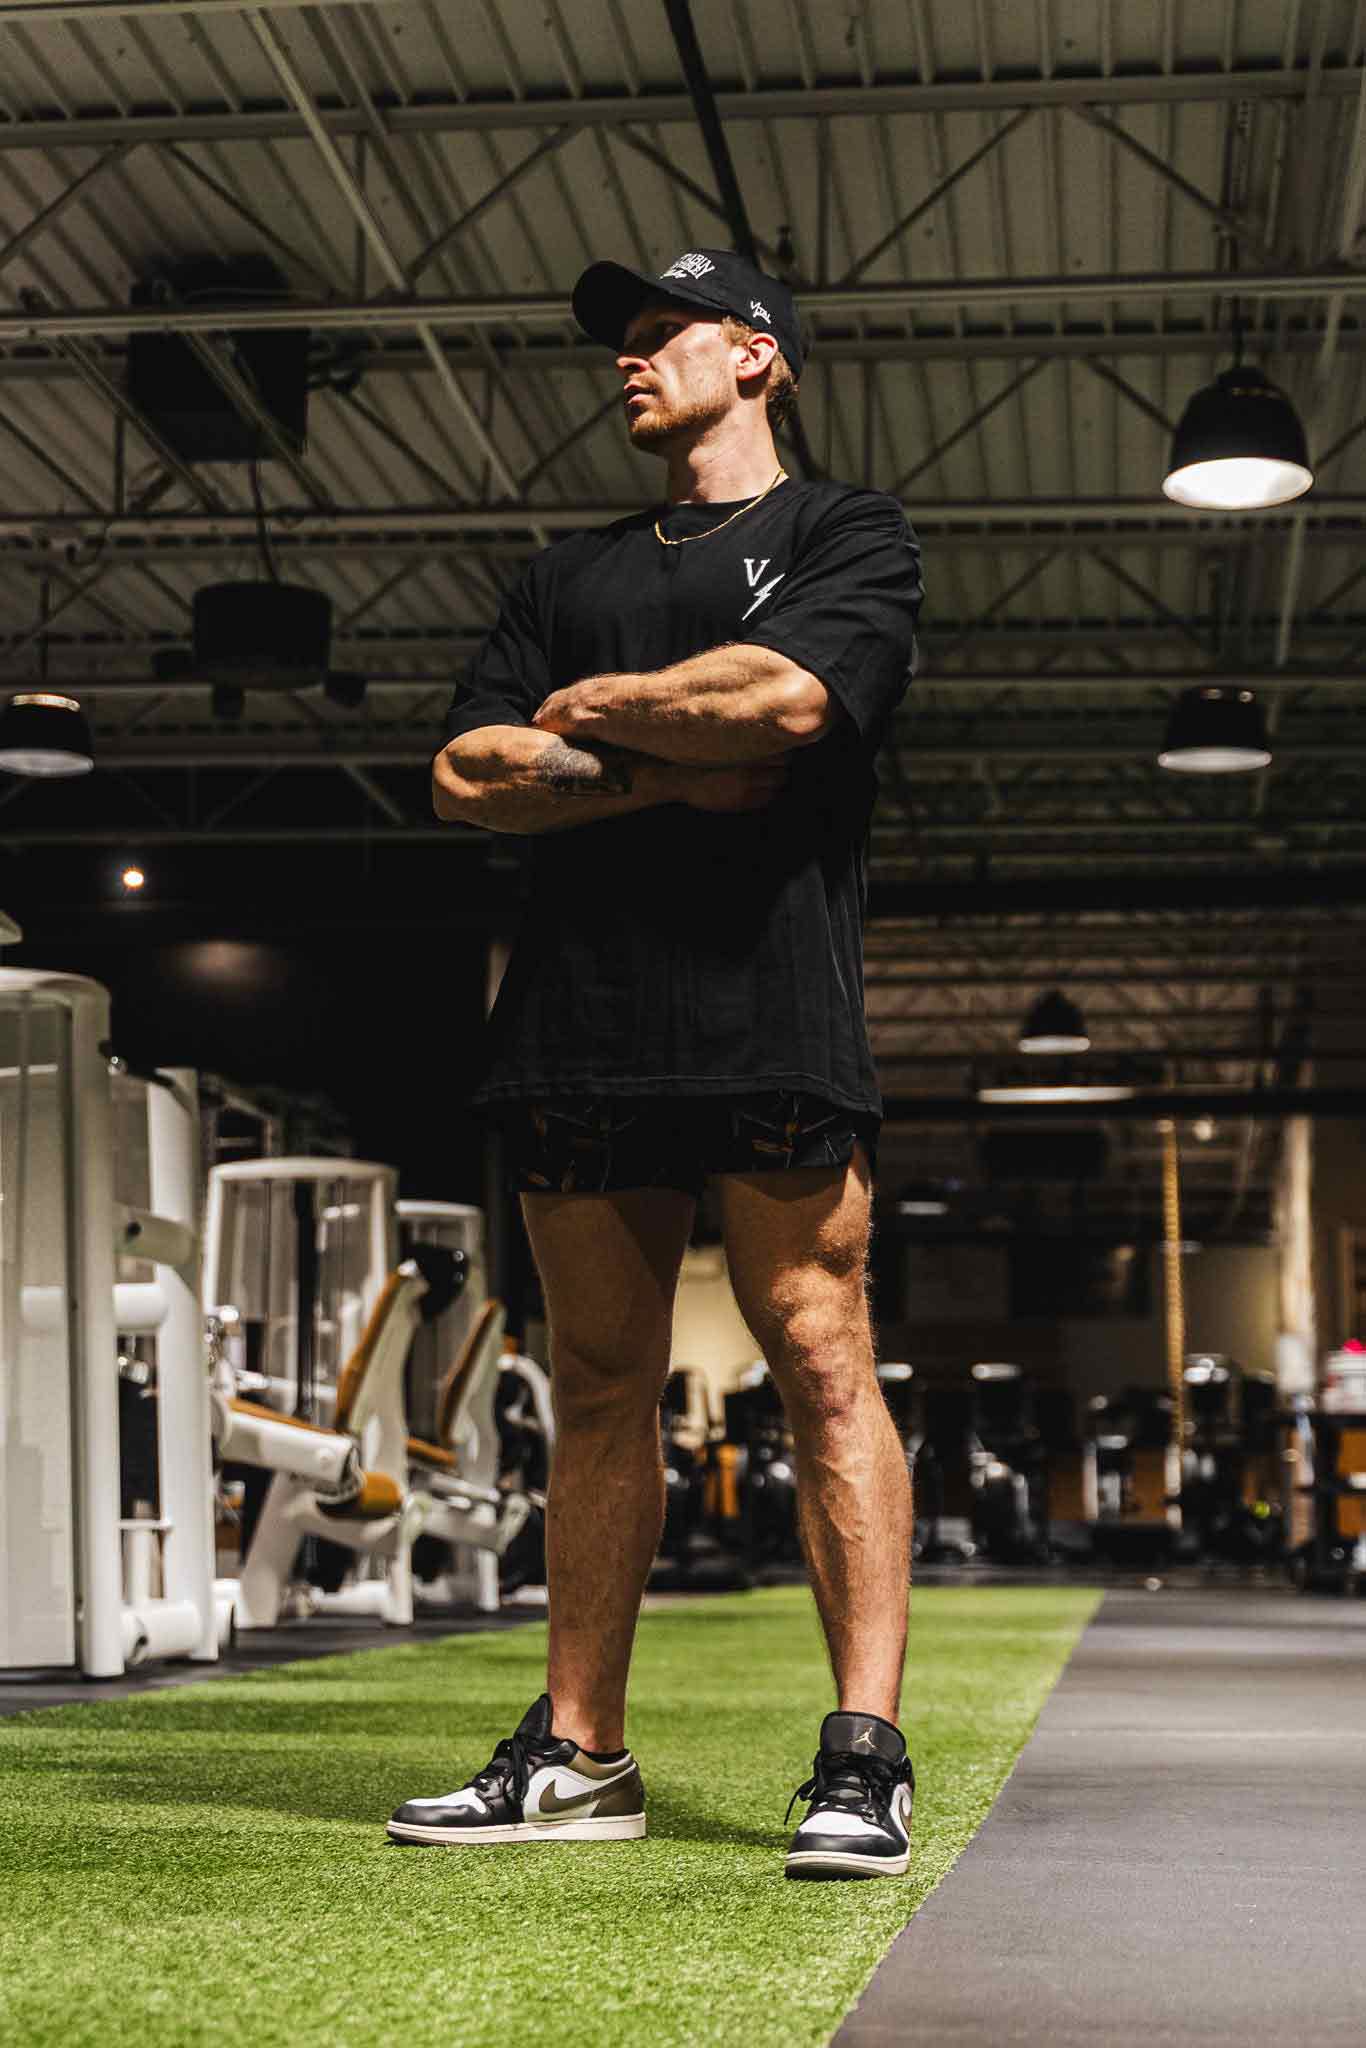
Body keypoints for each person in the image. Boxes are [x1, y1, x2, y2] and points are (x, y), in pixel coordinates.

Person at [389, 248, 923, 1880]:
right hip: (581, 1017)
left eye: (657, 334)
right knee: (602, 1386)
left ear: (755, 354)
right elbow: (465, 775)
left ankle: (863, 1759)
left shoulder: (843, 533)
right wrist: (666, 773)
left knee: (819, 1360)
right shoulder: (562, 572)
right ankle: (579, 1755)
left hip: (770, 1006)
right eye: (617, 343)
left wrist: (595, 724)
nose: (626, 360)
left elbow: (784, 702)